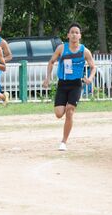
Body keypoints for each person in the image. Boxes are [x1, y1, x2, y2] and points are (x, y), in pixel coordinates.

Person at [42, 23, 96, 151]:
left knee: (70, 111)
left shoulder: (84, 51)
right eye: (72, 32)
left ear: (80, 36)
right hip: (63, 83)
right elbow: (51, 62)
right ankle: (65, 109)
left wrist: (90, 78)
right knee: (59, 114)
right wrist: (48, 78)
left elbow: (93, 67)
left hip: (76, 84)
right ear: (68, 35)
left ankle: (63, 142)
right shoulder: (61, 48)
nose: (74, 34)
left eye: (76, 32)